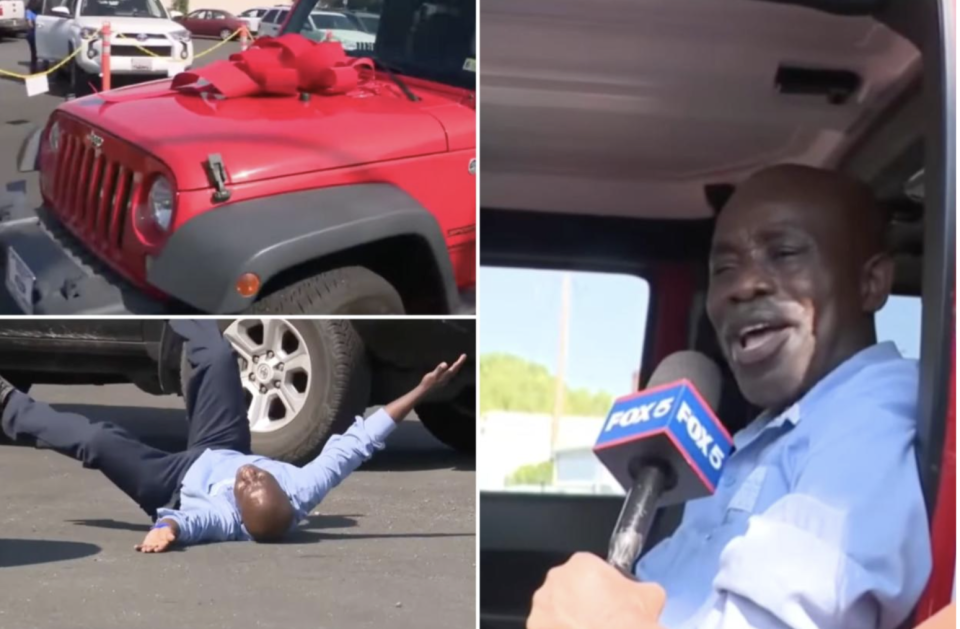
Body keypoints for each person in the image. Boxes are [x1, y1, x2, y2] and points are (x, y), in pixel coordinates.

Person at [528, 164, 932, 629]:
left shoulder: (871, 415)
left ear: (871, 284)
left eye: (783, 254)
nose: (742, 286)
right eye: (724, 268)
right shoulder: (765, 437)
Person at [0, 319, 467, 553]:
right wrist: (422, 390)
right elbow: (358, 443)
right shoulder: (304, 487)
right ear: (282, 488)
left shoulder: (223, 517)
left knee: (97, 441)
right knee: (220, 358)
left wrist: (166, 529)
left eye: (245, 486)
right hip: (219, 443)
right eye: (260, 477)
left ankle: (6, 403)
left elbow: (191, 525)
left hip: (171, 485)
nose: (249, 474)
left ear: (240, 511)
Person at [25, 0, 39, 74]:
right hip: (34, 31)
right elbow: (29, 22)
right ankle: (34, 69)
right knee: (34, 53)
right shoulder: (31, 7)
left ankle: (34, 69)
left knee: (35, 53)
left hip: (36, 30)